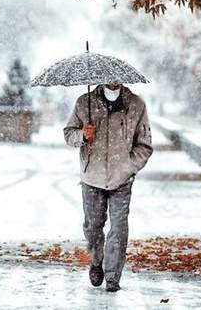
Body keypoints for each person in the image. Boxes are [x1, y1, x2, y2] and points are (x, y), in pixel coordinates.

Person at [64, 82, 153, 292]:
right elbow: (69, 134)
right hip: (92, 177)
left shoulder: (136, 105)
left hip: (122, 179)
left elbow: (145, 144)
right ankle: (97, 262)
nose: (112, 81)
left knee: (119, 228)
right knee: (93, 226)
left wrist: (129, 166)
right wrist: (82, 135)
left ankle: (113, 276)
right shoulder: (84, 103)